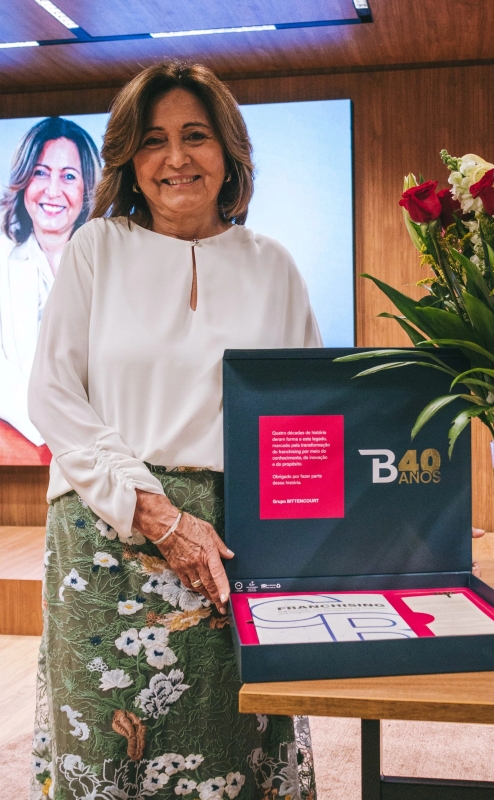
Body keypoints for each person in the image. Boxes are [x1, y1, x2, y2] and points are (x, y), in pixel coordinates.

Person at [28, 62, 320, 800]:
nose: (176, 157)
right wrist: (155, 514)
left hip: (229, 548)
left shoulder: (273, 266)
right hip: (105, 543)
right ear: (131, 159)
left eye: (196, 135)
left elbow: (304, 419)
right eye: (153, 140)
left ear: (229, 152)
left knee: (233, 744)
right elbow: (54, 395)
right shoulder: (96, 249)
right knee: (106, 752)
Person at [0, 116, 101, 460]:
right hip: (27, 451)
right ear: (23, 180)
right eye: (41, 172)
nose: (52, 190)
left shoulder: (114, 262)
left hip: (104, 458)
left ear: (88, 189)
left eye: (69, 176)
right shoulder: (2, 257)